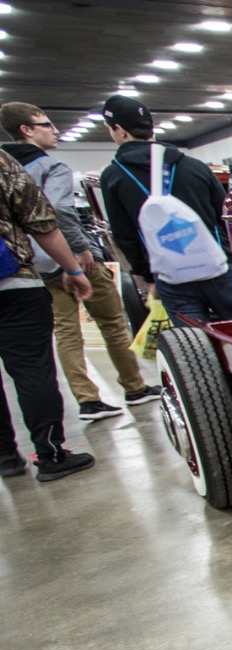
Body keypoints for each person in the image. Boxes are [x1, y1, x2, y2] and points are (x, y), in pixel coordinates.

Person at [1, 101, 156, 423]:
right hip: (68, 258)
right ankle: (135, 386)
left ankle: (87, 400)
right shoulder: (50, 167)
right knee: (112, 323)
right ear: (26, 130)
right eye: (45, 124)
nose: (54, 131)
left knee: (67, 332)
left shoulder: (6, 167)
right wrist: (80, 253)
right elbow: (59, 213)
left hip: (30, 266)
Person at [99, 94, 232, 323]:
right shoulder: (194, 166)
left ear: (119, 130)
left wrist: (148, 275)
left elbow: (124, 235)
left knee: (191, 343)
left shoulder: (113, 177)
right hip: (218, 265)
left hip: (170, 275)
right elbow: (226, 214)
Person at [0, 151, 96, 481]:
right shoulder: (2, 163)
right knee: (33, 371)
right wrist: (72, 268)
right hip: (14, 283)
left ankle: (5, 458)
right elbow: (43, 223)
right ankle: (51, 454)